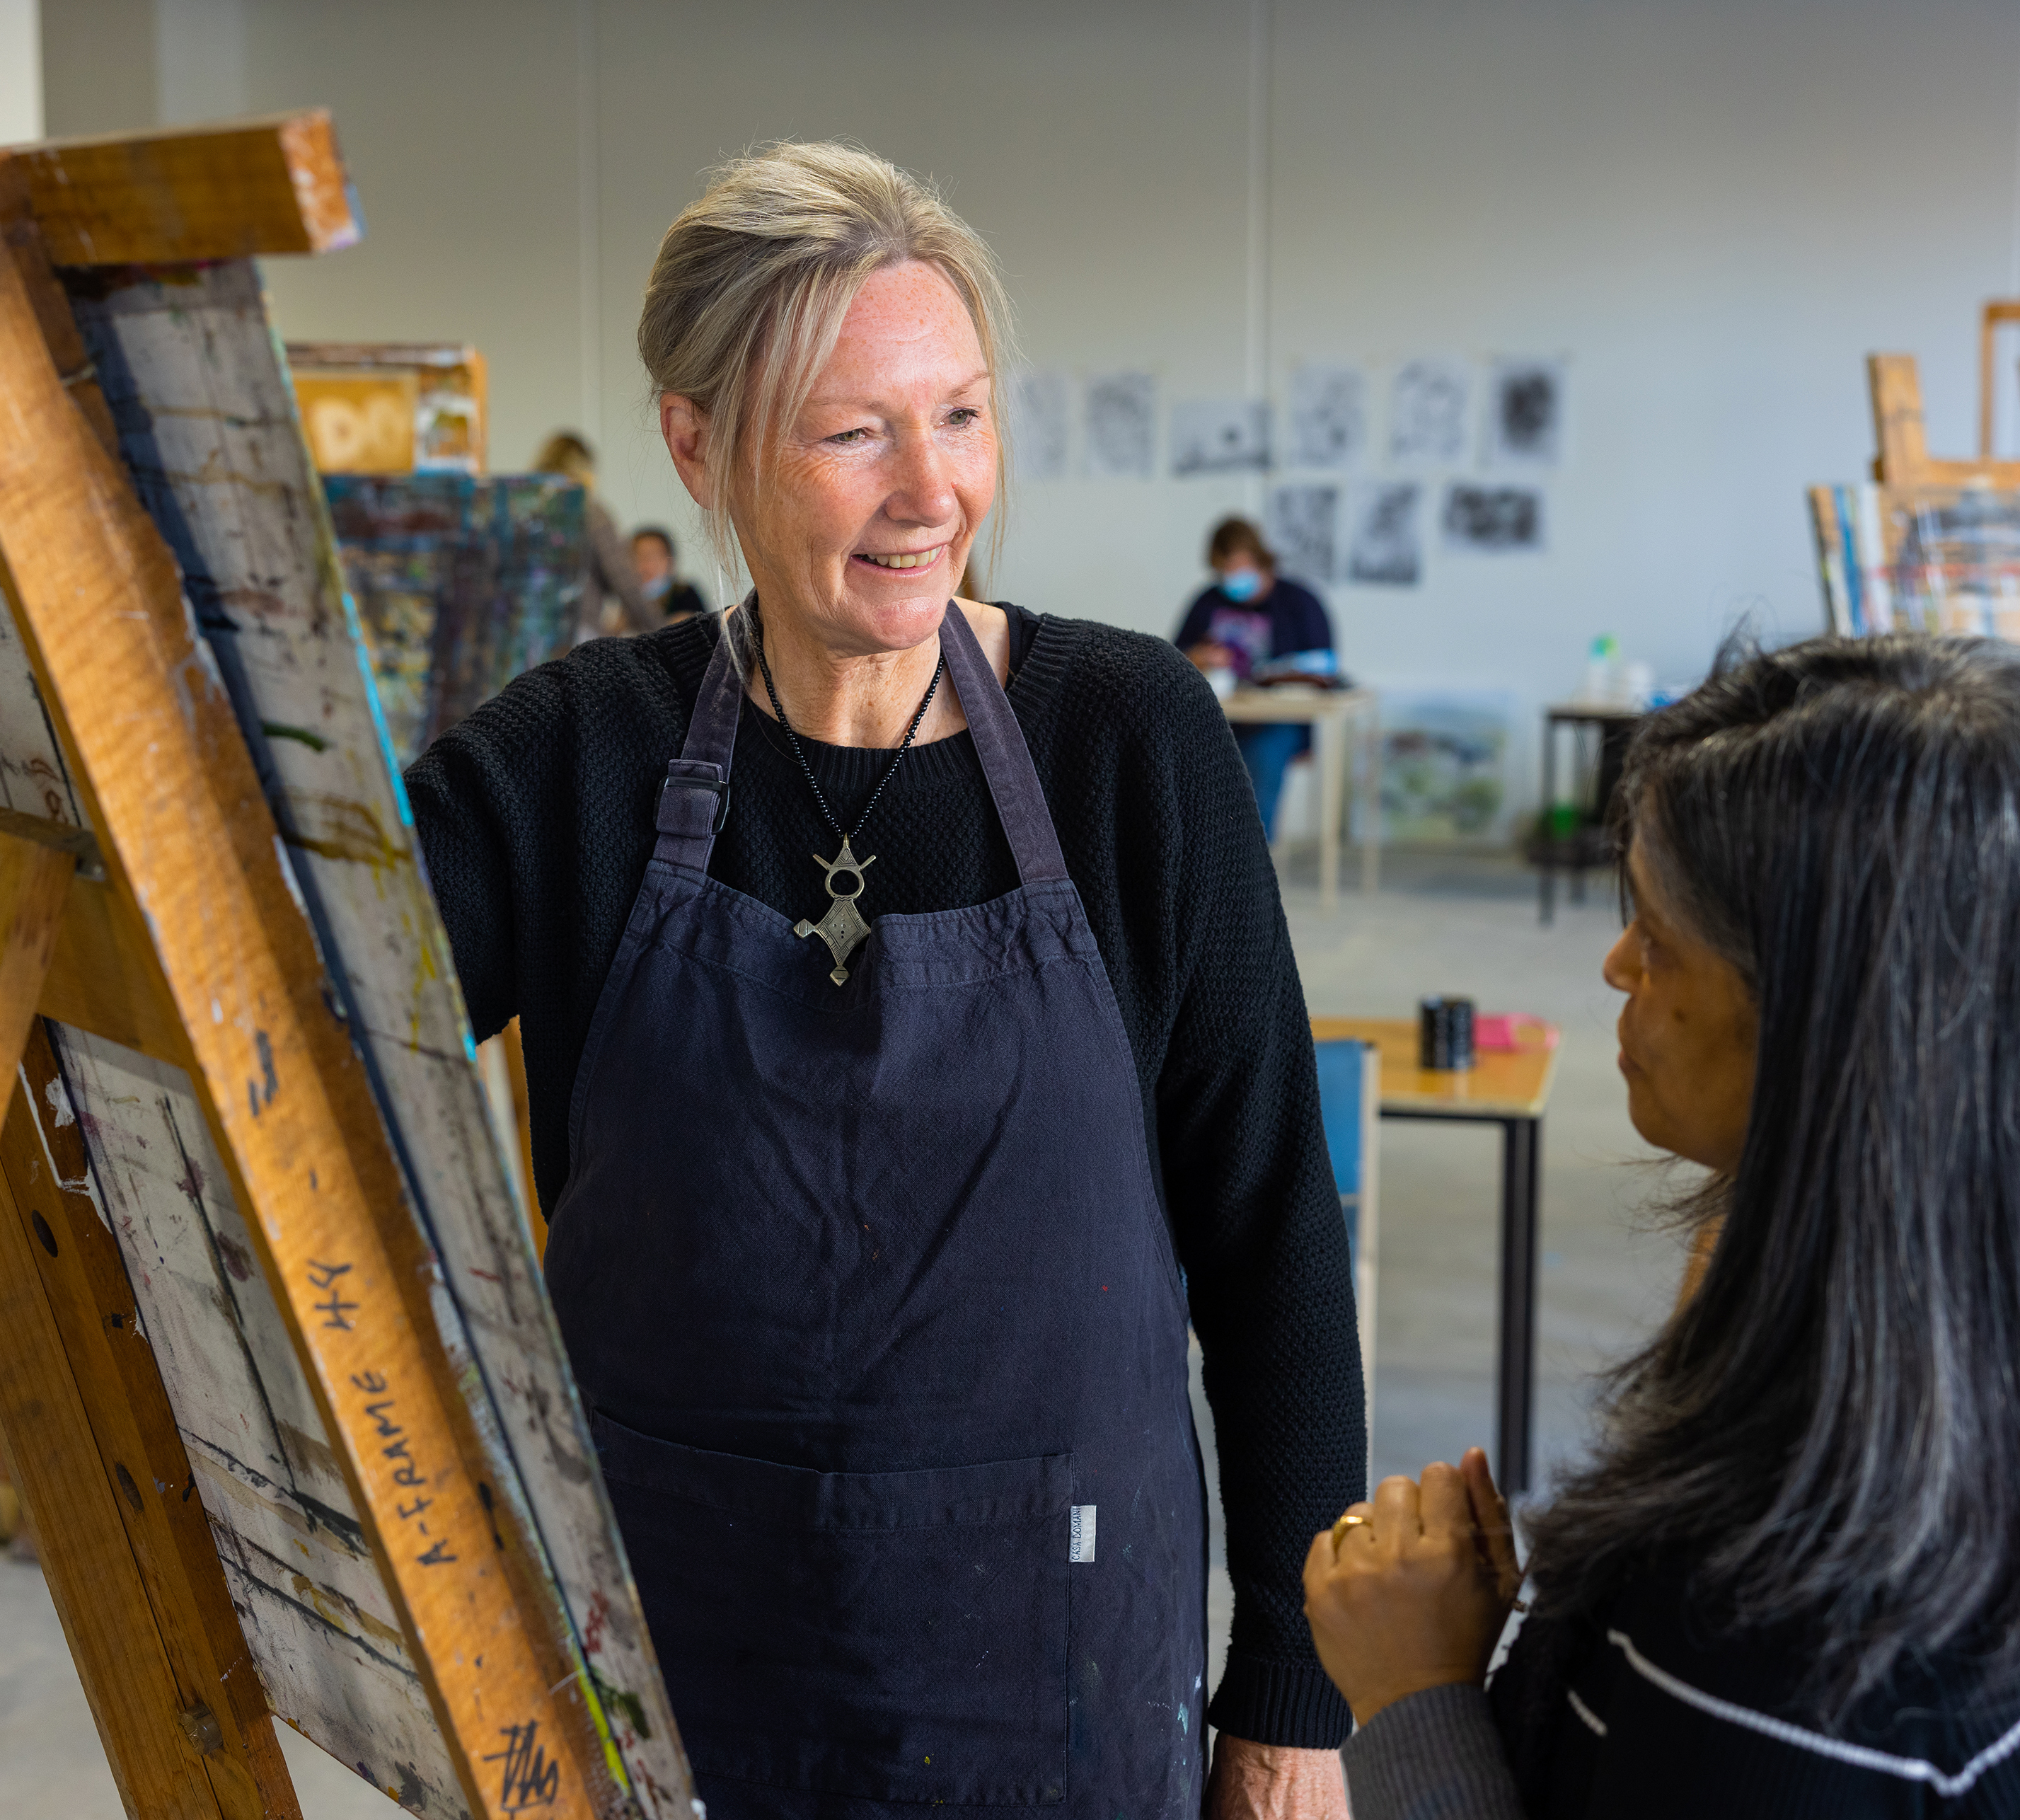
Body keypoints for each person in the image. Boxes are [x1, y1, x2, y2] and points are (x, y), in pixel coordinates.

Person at [408, 144, 1363, 1819]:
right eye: (854, 432)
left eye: (963, 415)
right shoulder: (576, 754)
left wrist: (1292, 1690)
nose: (932, 492)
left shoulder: (1125, 740)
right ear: (693, 444)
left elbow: (1274, 1227)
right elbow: (282, 1022)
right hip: (662, 1660)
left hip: (1048, 1653)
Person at [1304, 633, 2020, 1820]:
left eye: (1658, 938)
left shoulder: (1788, 1618)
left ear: (1835, 1034)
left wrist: (1412, 1692)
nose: (1614, 967)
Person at [1175, 518, 1338, 838]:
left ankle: (1252, 862)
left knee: (1258, 761)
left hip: (1279, 721)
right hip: (1220, 718)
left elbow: (1324, 667)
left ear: (1259, 558)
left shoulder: (1299, 603)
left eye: (1239, 565)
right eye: (1224, 570)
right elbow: (1174, 656)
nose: (1233, 577)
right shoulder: (1207, 602)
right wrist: (1198, 656)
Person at [534, 427, 666, 641]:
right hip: (574, 636)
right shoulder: (589, 512)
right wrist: (664, 633)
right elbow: (625, 582)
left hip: (522, 641)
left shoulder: (523, 511)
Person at [626, 525, 709, 623]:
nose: (646, 564)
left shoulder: (685, 594)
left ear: (669, 560)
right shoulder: (628, 598)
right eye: (639, 556)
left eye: (653, 556)